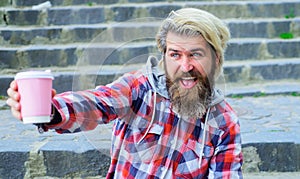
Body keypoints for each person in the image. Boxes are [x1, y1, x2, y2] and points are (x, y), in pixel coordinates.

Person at [6, 8, 243, 178]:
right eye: (175, 55)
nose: (185, 66)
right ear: (164, 57)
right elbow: (97, 102)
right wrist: (51, 111)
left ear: (216, 59)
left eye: (196, 54)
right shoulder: (138, 87)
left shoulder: (224, 121)